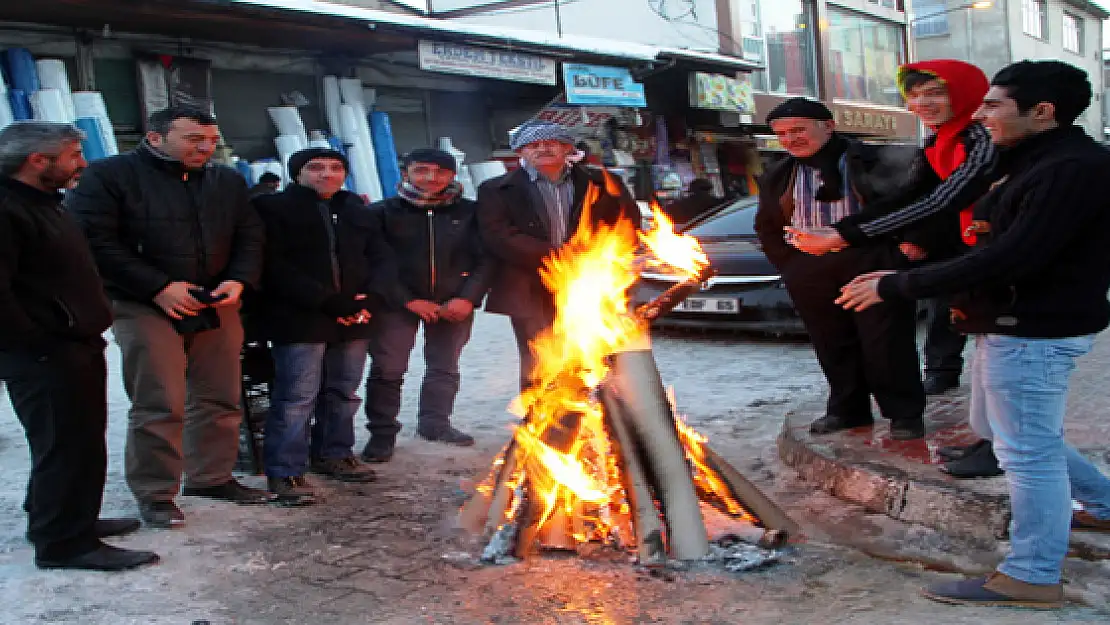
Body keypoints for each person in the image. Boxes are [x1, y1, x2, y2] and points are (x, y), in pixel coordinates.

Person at [838, 60, 1110, 609]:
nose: (979, 114)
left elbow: (1014, 256)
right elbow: (944, 211)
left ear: (1043, 113)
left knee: (1026, 452)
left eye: (992, 105)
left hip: (1033, 327)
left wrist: (901, 284)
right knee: (1001, 427)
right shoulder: (1024, 158)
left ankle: (1031, 575)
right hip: (1005, 321)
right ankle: (1105, 505)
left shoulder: (1070, 169)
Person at [68, 105, 271, 529]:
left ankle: (211, 476)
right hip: (142, 301)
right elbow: (94, 241)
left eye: (212, 140)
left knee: (219, 394)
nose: (206, 148)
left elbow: (249, 234)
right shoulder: (110, 176)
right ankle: (156, 491)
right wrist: (157, 287)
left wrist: (238, 280)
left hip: (215, 300)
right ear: (155, 137)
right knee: (160, 400)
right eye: (193, 139)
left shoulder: (226, 180)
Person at [0, 122, 159, 570]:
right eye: (72, 155)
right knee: (65, 445)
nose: (82, 164)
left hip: (70, 342)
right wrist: (37, 342)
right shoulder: (8, 209)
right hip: (47, 351)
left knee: (75, 442)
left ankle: (65, 519)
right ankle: (64, 543)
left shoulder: (46, 204)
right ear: (38, 161)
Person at [793, 60, 997, 395]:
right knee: (958, 319)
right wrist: (842, 232)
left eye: (934, 93)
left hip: (1000, 248)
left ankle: (1007, 442)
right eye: (914, 96)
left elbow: (941, 200)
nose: (922, 104)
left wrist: (844, 234)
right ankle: (986, 430)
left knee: (1001, 345)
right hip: (969, 245)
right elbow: (908, 196)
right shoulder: (937, 142)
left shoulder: (980, 138)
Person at [752, 98, 927, 440]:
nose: (791, 139)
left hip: (869, 260)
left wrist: (905, 248)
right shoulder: (779, 173)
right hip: (810, 267)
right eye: (782, 134)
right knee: (832, 343)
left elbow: (914, 203)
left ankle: (904, 414)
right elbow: (767, 225)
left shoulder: (871, 159)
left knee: (887, 341)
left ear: (828, 126)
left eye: (799, 130)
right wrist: (790, 265)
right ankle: (848, 410)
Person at [252, 148, 380, 502]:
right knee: (296, 396)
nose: (327, 174)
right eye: (316, 168)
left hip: (354, 316)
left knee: (343, 391)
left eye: (336, 168)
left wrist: (368, 300)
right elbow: (273, 266)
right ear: (297, 173)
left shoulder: (356, 209)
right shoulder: (272, 209)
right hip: (300, 316)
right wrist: (327, 300)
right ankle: (286, 471)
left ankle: (334, 453)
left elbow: (379, 257)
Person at [477, 121, 639, 392]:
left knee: (592, 350)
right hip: (530, 284)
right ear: (521, 152)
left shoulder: (601, 182)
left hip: (590, 281)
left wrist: (599, 255)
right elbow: (498, 236)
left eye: (551, 143)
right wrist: (559, 255)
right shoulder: (496, 189)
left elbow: (627, 223)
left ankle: (589, 419)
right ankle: (539, 424)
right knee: (540, 356)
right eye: (533, 145)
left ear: (567, 148)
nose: (543, 149)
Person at [361, 148, 491, 461]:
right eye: (421, 171)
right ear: (406, 173)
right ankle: (382, 432)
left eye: (440, 171)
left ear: (452, 175)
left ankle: (435, 422)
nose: (431, 178)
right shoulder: (382, 213)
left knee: (444, 366)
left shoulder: (472, 212)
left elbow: (486, 259)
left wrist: (467, 297)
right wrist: (408, 300)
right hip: (397, 304)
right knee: (388, 368)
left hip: (454, 304)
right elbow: (376, 263)